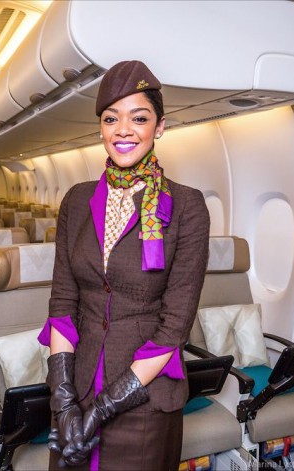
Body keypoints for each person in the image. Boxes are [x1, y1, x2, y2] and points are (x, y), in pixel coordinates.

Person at [38, 60, 210, 470]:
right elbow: (62, 304)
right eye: (111, 118)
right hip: (77, 388)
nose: (123, 130)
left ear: (160, 127)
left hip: (144, 401)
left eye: (139, 118)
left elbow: (174, 326)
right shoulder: (76, 201)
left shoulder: (187, 206)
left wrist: (106, 406)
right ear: (101, 127)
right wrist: (63, 400)